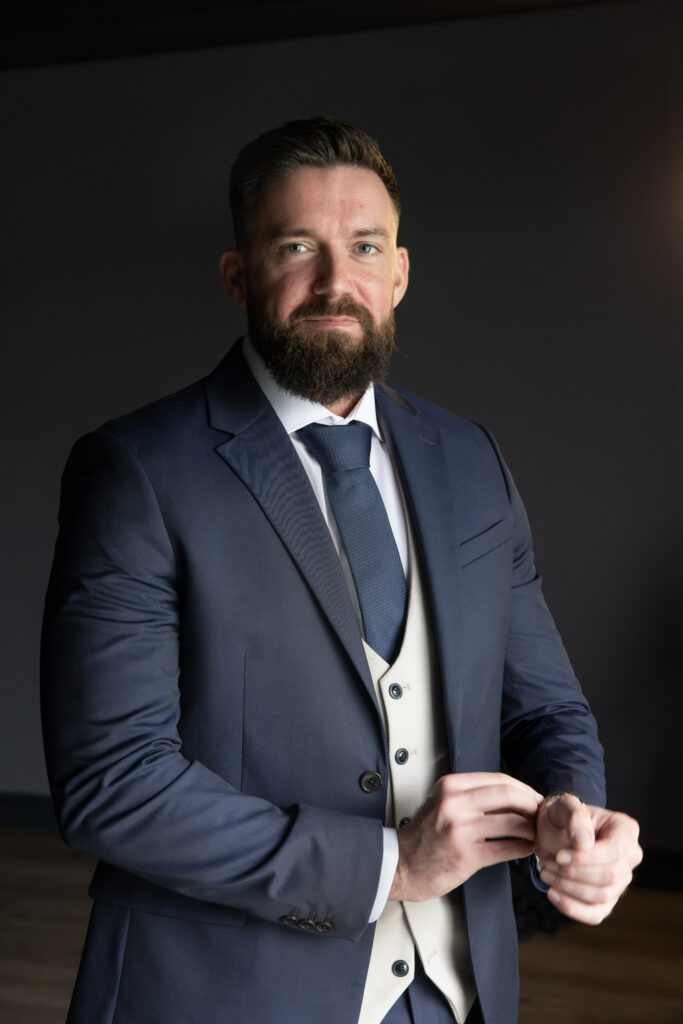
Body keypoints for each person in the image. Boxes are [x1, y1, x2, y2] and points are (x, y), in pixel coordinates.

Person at [41, 116, 642, 1024]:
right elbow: (112, 782)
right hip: (225, 992)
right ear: (238, 275)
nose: (335, 281)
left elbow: (545, 709)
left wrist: (573, 820)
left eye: (364, 246)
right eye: (296, 246)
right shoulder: (136, 471)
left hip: (457, 991)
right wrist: (390, 867)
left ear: (397, 273)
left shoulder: (469, 458)